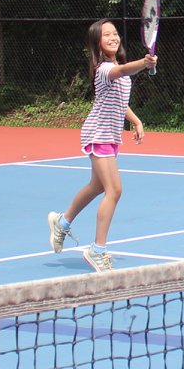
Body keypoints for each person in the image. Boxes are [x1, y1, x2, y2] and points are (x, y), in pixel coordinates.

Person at [48, 18, 152, 272]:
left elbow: (120, 100)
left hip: (110, 135)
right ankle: (98, 250)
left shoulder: (117, 67)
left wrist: (136, 120)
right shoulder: (105, 69)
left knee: (96, 186)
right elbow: (123, 71)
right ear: (97, 43)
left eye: (115, 33)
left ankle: (61, 222)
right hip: (98, 135)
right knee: (114, 190)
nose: (113, 38)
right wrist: (144, 63)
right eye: (107, 35)